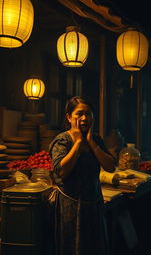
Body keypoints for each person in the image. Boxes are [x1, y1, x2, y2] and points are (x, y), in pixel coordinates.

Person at [49, 96, 115, 255]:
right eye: (79, 114)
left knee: (94, 246)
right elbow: (62, 172)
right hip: (70, 207)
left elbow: (110, 167)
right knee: (73, 247)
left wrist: (91, 142)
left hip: (94, 202)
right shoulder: (63, 140)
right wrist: (78, 143)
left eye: (88, 113)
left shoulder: (96, 139)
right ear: (69, 117)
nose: (84, 118)